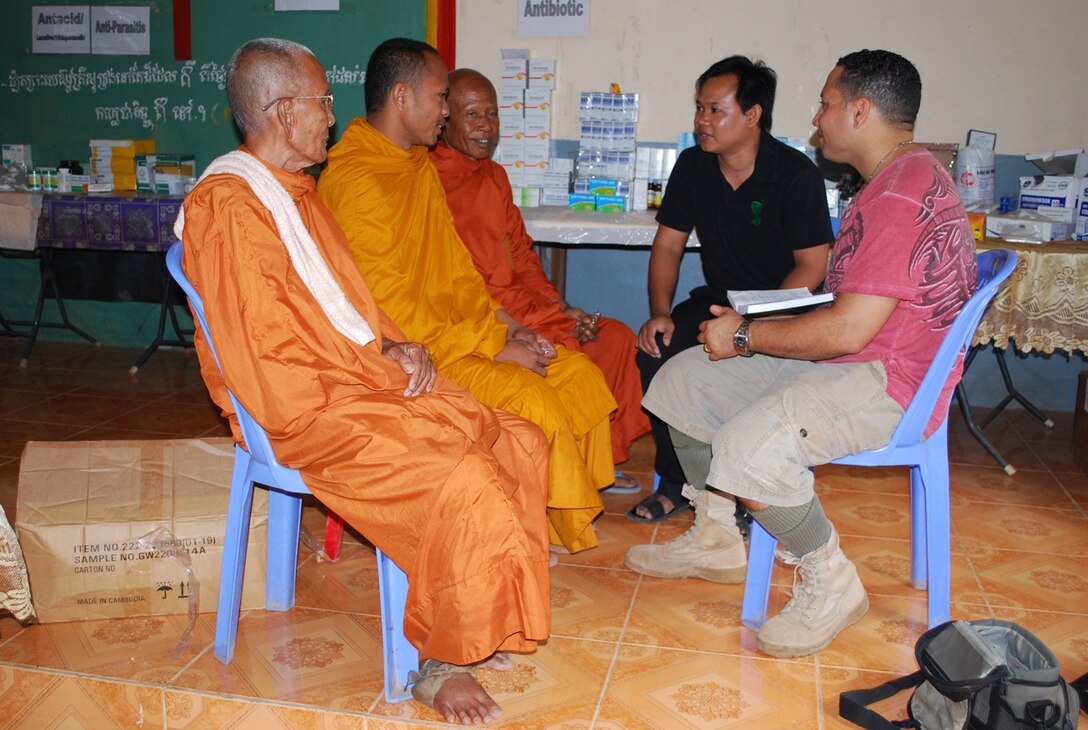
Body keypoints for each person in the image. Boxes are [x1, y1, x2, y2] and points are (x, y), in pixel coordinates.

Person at [178, 38, 552, 724]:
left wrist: (397, 345)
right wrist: (377, 364)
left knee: (517, 438)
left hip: (351, 378)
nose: (332, 116)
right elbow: (270, 350)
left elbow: (346, 303)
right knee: (460, 474)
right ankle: (436, 661)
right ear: (285, 111)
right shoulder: (229, 207)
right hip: (304, 407)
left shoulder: (299, 191)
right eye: (322, 102)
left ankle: (482, 614)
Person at [639, 49, 977, 657]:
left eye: (826, 103)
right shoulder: (894, 181)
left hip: (888, 382)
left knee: (748, 443)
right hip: (853, 361)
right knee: (681, 381)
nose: (818, 118)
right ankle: (717, 534)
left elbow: (847, 330)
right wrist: (743, 336)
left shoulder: (902, 193)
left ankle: (831, 578)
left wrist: (744, 336)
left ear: (861, 110)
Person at [318, 38, 618, 555]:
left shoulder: (414, 165)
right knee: (532, 397)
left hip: (464, 333)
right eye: (440, 98)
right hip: (416, 357)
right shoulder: (358, 178)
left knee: (577, 372)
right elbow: (388, 313)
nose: (445, 111)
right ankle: (523, 527)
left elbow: (458, 273)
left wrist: (509, 326)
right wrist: (495, 348)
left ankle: (553, 515)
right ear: (402, 97)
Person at [629, 56, 833, 529]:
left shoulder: (794, 174)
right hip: (719, 299)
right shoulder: (693, 166)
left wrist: (757, 326)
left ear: (753, 114)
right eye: (699, 109)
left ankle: (744, 489)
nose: (702, 121)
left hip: (784, 310)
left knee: (751, 370)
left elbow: (811, 265)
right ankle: (676, 482)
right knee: (656, 351)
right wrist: (660, 312)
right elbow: (667, 246)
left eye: (715, 110)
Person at [430, 68, 651, 476]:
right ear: (445, 121)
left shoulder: (495, 176)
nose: (486, 127)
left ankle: (596, 463)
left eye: (493, 115)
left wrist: (562, 307)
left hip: (526, 305)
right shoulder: (429, 180)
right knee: (573, 357)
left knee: (616, 338)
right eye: (473, 115)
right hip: (485, 317)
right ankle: (565, 468)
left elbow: (522, 255)